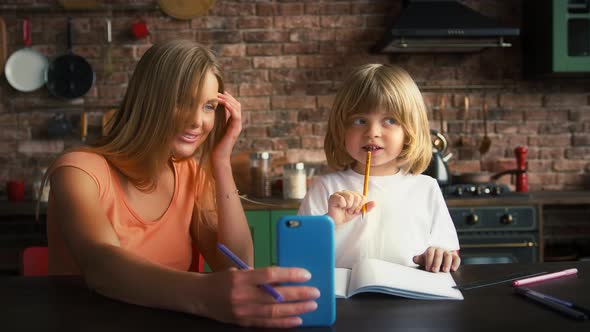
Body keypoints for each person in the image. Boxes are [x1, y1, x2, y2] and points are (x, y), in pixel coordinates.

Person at [43, 40, 319, 328]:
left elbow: (236, 262)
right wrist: (204, 294)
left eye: (209, 106)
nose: (197, 121)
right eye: (182, 101)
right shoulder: (78, 170)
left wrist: (221, 162)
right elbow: (101, 266)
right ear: (148, 100)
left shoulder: (193, 176)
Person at [298, 64, 461, 273]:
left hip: (409, 299)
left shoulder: (426, 188)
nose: (372, 132)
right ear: (341, 129)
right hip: (343, 302)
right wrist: (330, 223)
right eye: (360, 120)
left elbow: (449, 253)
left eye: (390, 120)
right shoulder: (325, 188)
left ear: (409, 131)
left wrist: (441, 255)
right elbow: (299, 258)